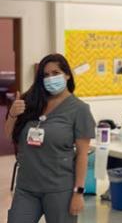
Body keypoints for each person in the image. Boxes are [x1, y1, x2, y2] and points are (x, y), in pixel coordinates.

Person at [5, 54, 96, 223]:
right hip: (26, 187)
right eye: (45, 75)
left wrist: (78, 193)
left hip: (60, 189)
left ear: (67, 75)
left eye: (55, 73)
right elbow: (8, 134)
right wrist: (12, 114)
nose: (50, 78)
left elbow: (82, 156)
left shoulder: (79, 109)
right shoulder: (31, 101)